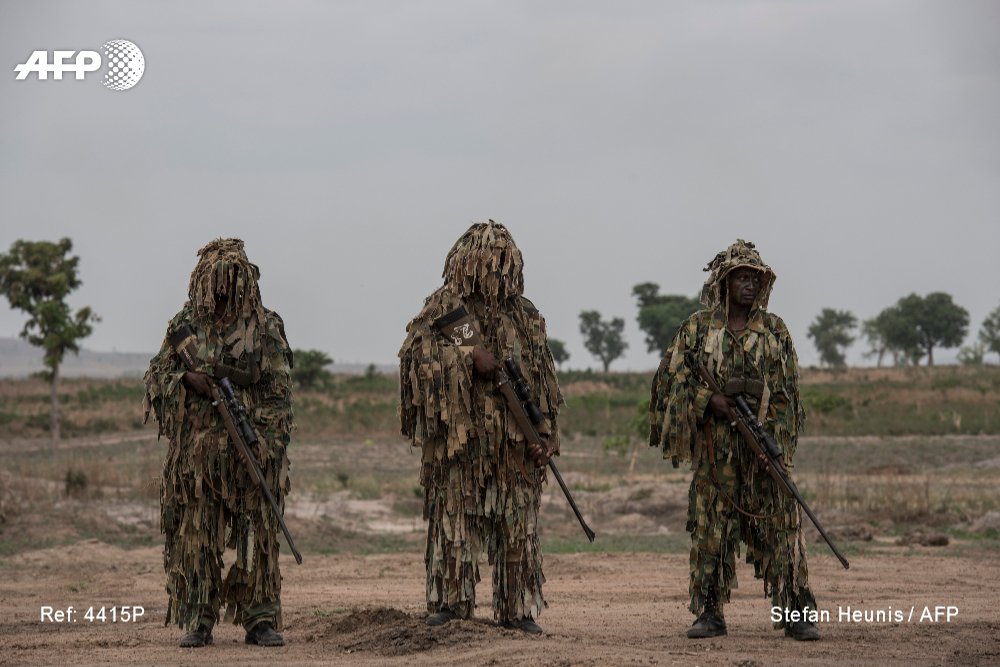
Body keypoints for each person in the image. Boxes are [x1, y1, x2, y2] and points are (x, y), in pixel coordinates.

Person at [648, 239, 820, 641]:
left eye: (754, 278)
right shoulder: (697, 328)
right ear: (724, 282)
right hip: (716, 452)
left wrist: (773, 445)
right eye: (741, 277)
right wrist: (710, 401)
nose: (749, 285)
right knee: (711, 531)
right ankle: (709, 612)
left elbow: (787, 397)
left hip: (762, 449)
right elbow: (670, 381)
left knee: (782, 527)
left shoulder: (775, 331)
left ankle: (796, 610)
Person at [399, 221, 562, 634]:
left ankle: (517, 608)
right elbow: (416, 363)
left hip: (514, 444)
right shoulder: (445, 308)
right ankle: (451, 604)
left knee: (517, 528)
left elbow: (542, 379)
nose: (498, 270)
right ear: (467, 262)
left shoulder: (524, 315)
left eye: (506, 263)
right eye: (491, 261)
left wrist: (545, 434)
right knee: (456, 525)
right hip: (461, 442)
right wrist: (468, 358)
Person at [143, 238, 294, 648]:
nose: (224, 290)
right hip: (196, 459)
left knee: (257, 538)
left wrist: (264, 445)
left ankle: (259, 619)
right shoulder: (185, 326)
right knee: (196, 538)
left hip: (249, 452)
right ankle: (199, 617)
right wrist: (185, 380)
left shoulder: (265, 327)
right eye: (217, 282)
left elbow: (278, 393)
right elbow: (156, 377)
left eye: (232, 281)